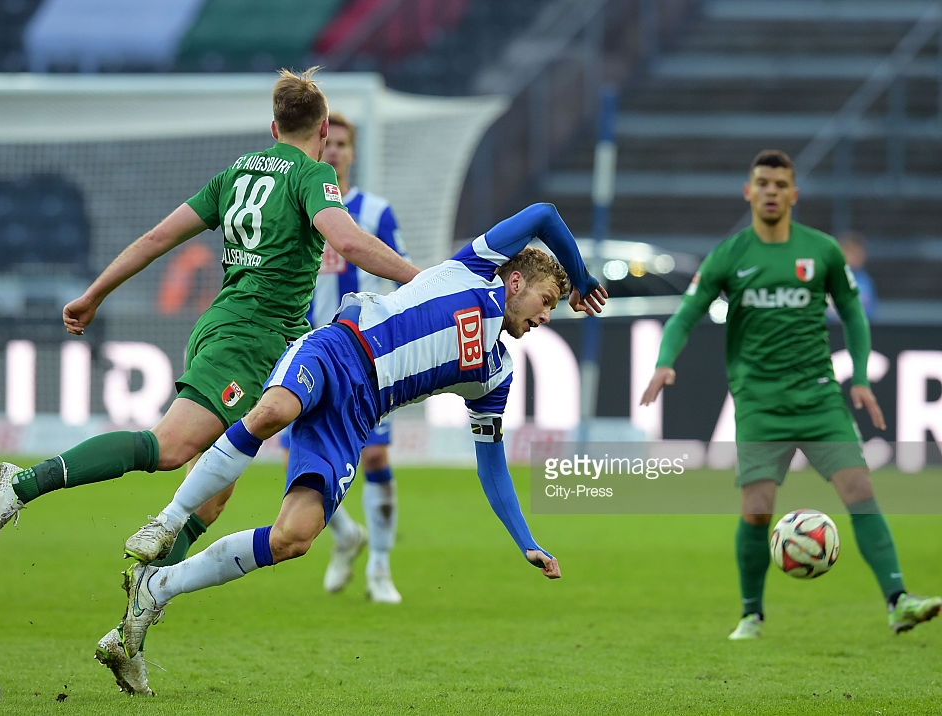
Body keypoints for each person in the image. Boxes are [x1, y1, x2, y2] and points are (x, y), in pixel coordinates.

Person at [0, 67, 420, 690]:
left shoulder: (238, 172)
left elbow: (159, 236)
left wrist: (94, 294)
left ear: (271, 127)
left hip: (246, 336)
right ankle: (21, 483)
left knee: (210, 496)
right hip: (247, 339)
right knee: (171, 449)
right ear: (322, 131)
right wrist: (421, 280)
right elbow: (345, 238)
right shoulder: (314, 175)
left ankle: (132, 629)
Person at [97, 203, 607, 694]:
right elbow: (543, 214)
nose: (546, 316)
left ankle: (156, 590)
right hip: (339, 348)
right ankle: (167, 519)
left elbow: (491, 463)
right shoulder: (473, 268)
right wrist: (581, 276)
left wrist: (525, 539)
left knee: (293, 537)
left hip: (359, 414)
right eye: (546, 300)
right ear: (515, 281)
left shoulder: (496, 375)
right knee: (273, 411)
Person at [639, 149, 941, 641]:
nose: (771, 191)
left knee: (860, 490)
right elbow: (687, 312)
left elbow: (854, 313)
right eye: (763, 183)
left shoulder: (821, 251)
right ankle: (751, 615)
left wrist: (860, 376)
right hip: (758, 401)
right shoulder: (730, 256)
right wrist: (664, 362)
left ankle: (898, 601)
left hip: (818, 397)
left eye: (781, 184)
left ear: (794, 194)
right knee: (757, 507)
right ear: (749, 191)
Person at [283, 111, 407, 604]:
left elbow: (400, 275)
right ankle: (346, 536)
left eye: (342, 144)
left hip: (365, 353)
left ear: (353, 152)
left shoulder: (375, 212)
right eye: (327, 141)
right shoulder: (298, 205)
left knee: (374, 454)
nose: (333, 150)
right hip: (306, 348)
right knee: (303, 460)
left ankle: (379, 567)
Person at [838, 231, 878, 319]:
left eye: (859, 253)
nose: (856, 257)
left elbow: (867, 311)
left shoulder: (866, 282)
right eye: (851, 253)